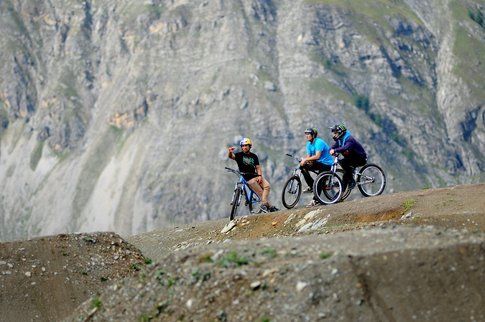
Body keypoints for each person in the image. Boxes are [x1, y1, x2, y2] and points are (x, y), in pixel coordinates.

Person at [228, 138, 278, 212]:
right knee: (261, 192)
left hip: (255, 176)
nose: (244, 147)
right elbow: (231, 156)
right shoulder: (239, 155)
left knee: (267, 186)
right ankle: (270, 207)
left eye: (246, 145)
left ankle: (265, 205)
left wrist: (260, 176)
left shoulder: (254, 156)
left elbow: (258, 167)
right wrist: (230, 152)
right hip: (248, 179)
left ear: (249, 146)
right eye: (243, 146)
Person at [300, 128, 334, 207]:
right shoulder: (308, 144)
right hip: (318, 163)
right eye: (306, 134)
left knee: (319, 180)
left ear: (313, 135)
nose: (307, 136)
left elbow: (317, 156)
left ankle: (316, 200)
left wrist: (306, 159)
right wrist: (305, 161)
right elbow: (309, 157)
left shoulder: (319, 142)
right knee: (303, 167)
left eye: (308, 134)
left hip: (326, 164)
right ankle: (312, 186)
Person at [329, 124, 367, 191]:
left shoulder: (349, 139)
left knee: (344, 163)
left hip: (360, 159)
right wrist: (330, 150)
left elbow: (346, 147)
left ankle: (352, 181)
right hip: (352, 158)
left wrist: (335, 150)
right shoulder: (340, 140)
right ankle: (342, 191)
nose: (334, 135)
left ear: (340, 133)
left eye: (335, 133)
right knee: (346, 171)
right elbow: (332, 147)